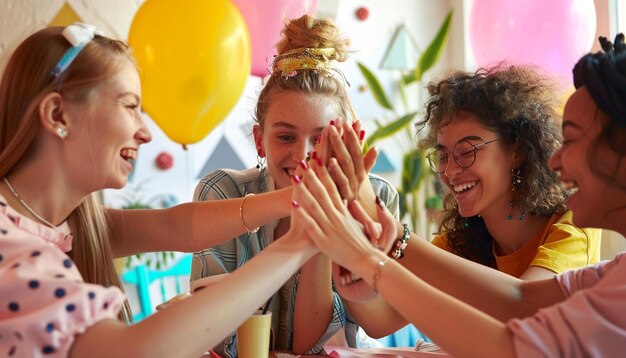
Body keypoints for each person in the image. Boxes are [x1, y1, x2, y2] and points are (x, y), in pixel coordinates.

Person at [293, 33, 626, 356]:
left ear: (517, 150)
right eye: (442, 155)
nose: (450, 170)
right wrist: (349, 233)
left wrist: (382, 244)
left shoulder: (570, 231)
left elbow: (519, 311)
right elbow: (381, 321)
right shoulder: (466, 238)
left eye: (467, 151)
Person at [0, 23, 319, 357]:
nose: (146, 133)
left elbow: (177, 227)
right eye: (129, 106)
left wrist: (293, 199)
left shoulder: (60, 227)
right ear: (57, 114)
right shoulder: (12, 249)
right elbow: (132, 351)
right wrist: (299, 244)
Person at [190, 14, 399, 356]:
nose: (304, 156)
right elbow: (216, 340)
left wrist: (321, 226)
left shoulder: (376, 199)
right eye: (286, 136)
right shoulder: (222, 193)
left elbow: (315, 347)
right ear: (260, 141)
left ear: (346, 140)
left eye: (322, 138)